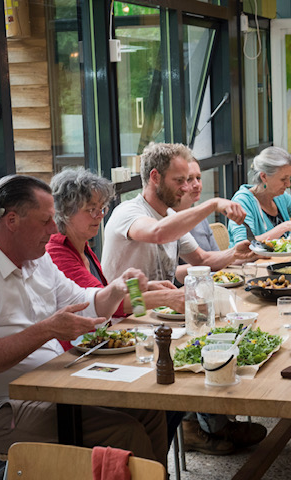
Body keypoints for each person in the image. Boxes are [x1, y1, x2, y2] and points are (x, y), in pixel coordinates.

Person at [0, 175, 168, 465]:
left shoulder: (38, 260)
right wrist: (46, 330)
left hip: (57, 384)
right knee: (124, 432)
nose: (54, 228)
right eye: (45, 220)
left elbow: (83, 304)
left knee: (150, 409)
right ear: (11, 221)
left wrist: (116, 289)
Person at [46, 168, 186, 447]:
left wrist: (149, 288)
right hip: (80, 354)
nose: (99, 216)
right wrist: (164, 299)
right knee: (167, 387)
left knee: (171, 388)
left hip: (99, 345)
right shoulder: (58, 252)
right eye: (91, 210)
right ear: (64, 212)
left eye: (102, 208)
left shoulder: (83, 247)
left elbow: (111, 296)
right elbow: (101, 305)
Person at [173, 158, 268, 454]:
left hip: (205, 288)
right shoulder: (173, 217)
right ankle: (198, 426)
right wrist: (223, 263)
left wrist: (234, 256)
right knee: (208, 341)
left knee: (240, 330)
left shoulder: (195, 216)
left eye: (198, 177)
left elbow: (206, 259)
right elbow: (181, 271)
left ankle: (219, 420)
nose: (195, 184)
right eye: (185, 179)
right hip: (178, 298)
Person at [101, 142, 256, 285]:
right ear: (155, 177)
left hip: (157, 309)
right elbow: (158, 233)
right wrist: (212, 204)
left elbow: (201, 260)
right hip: (125, 314)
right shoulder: (127, 211)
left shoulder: (170, 216)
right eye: (179, 180)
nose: (186, 188)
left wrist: (235, 253)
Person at [227, 146, 291, 246]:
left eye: (289, 178)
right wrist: (284, 227)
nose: (288, 184)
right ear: (264, 177)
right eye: (283, 179)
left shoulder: (278, 196)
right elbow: (243, 245)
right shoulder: (242, 202)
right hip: (251, 264)